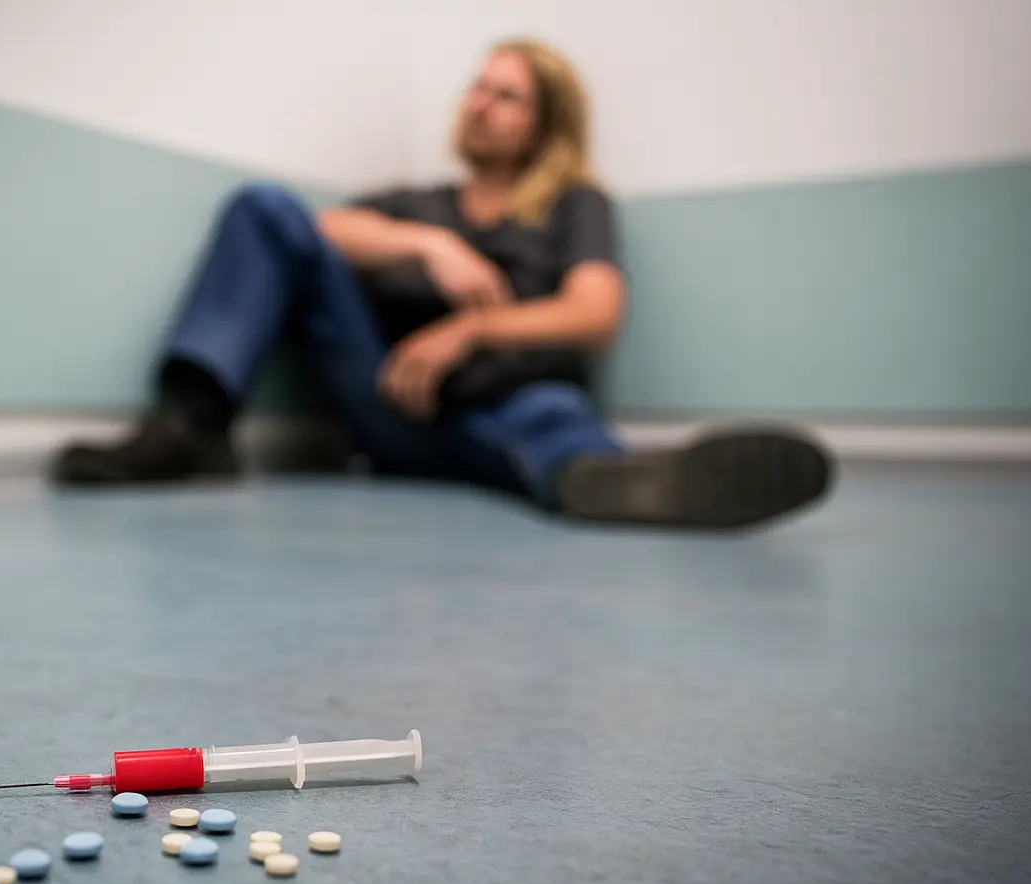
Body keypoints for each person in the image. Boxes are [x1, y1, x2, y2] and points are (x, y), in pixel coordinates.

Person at [51, 38, 833, 528]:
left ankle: (615, 481)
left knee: (552, 415)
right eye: (477, 86)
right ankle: (192, 428)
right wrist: (426, 242)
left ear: (544, 123)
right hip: (389, 407)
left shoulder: (573, 203)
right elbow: (319, 233)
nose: (481, 104)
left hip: (508, 403)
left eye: (507, 95)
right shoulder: (418, 202)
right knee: (266, 207)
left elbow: (596, 312)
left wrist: (472, 328)